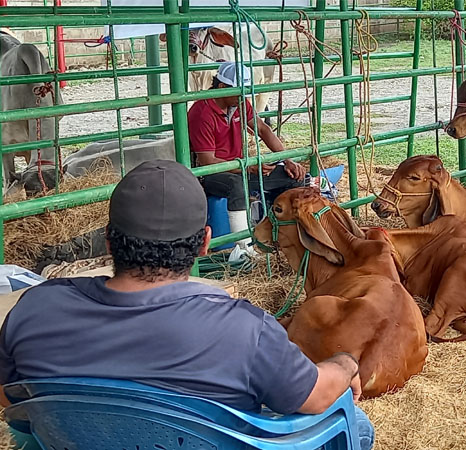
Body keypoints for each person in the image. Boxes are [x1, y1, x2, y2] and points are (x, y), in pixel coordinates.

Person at [0, 160, 374, 450]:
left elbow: (10, 398)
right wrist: (345, 364)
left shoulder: (36, 308)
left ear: (110, 244)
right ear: (205, 244)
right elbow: (317, 396)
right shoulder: (244, 328)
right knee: (356, 424)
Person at [188, 61, 307, 251]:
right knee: (237, 186)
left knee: (295, 177)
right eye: (239, 91)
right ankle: (244, 249)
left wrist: (288, 160)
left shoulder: (239, 103)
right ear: (221, 87)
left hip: (240, 166)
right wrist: (248, 167)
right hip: (211, 174)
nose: (243, 96)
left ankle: (283, 237)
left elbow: (262, 128)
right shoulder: (202, 112)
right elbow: (207, 162)